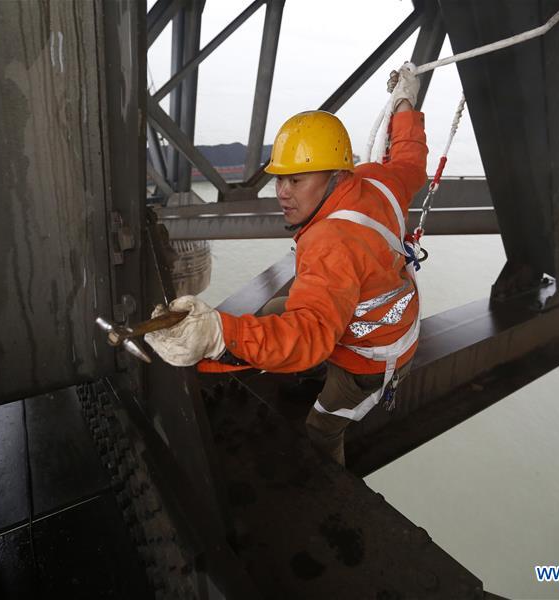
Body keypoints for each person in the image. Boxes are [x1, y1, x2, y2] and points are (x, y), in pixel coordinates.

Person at [146, 63, 428, 466]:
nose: (282, 192)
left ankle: (332, 490)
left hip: (372, 357)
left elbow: (311, 336)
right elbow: (410, 158)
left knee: (320, 428)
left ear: (333, 176)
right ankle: (304, 374)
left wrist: (218, 335)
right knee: (278, 309)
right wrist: (405, 103)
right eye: (280, 179)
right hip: (386, 316)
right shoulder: (378, 180)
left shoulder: (330, 242)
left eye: (296, 181)